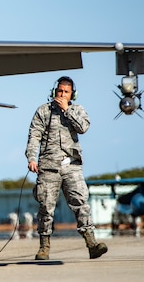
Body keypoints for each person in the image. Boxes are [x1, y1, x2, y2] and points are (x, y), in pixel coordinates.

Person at [25, 76, 108, 260]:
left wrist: (67, 110)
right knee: (46, 207)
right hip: (48, 167)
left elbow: (83, 128)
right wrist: (32, 158)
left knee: (81, 203)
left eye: (66, 92)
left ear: (72, 95)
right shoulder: (43, 111)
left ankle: (92, 244)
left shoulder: (78, 110)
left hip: (71, 166)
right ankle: (44, 247)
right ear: (54, 92)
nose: (62, 95)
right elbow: (34, 135)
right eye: (59, 91)